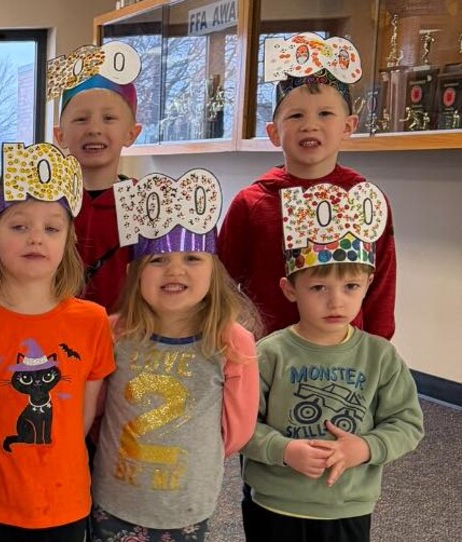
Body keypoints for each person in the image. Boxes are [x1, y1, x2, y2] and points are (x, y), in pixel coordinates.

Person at [241, 178, 423, 542]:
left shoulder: (380, 356)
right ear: (290, 289)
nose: (336, 301)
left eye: (350, 286)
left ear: (367, 284)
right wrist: (283, 450)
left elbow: (407, 424)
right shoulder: (268, 353)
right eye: (318, 287)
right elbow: (239, 427)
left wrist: (365, 447)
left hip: (347, 506)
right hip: (275, 504)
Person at [0, 142, 114, 541]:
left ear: (68, 241)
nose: (36, 238)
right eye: (19, 226)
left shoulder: (92, 322)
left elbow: (83, 419)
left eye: (51, 228)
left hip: (67, 504)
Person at [89, 169, 260, 542]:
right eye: (158, 260)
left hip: (187, 507)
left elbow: (236, 431)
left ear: (214, 271)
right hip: (114, 500)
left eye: (192, 258)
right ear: (134, 272)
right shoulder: (112, 332)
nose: (175, 269)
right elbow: (97, 413)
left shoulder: (232, 342)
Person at [219, 33, 396, 339]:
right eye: (296, 115)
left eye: (325, 113)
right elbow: (221, 283)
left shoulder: (365, 200)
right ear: (274, 132)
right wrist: (237, 340)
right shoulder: (251, 203)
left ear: (348, 126)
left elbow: (381, 283)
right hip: (266, 353)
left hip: (344, 355)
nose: (310, 125)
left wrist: (376, 349)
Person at [47, 42, 144, 312]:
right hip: (54, 328)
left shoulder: (141, 201)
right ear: (60, 135)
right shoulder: (45, 201)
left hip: (123, 328)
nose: (94, 129)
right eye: (81, 119)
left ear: (132, 133)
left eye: (109, 118)